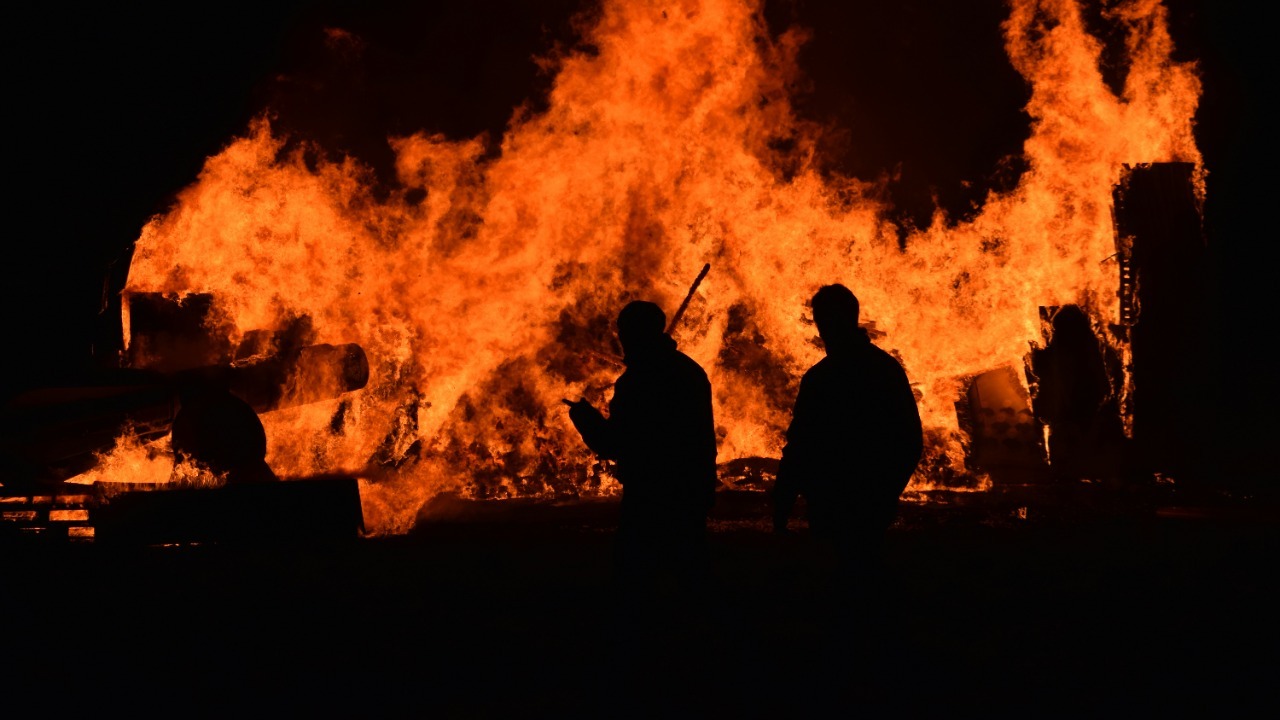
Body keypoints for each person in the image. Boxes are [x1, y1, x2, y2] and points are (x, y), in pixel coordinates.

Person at [565, 300, 718, 595]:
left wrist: (585, 419)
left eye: (624, 331)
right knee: (692, 571)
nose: (622, 338)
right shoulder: (689, 371)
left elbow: (617, 443)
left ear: (634, 333)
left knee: (635, 577)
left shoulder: (639, 381)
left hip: (650, 492)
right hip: (691, 487)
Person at [772, 284, 923, 576]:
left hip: (832, 503)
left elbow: (800, 448)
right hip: (869, 500)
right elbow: (910, 440)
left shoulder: (821, 378)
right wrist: (887, 493)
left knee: (837, 575)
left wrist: (782, 507)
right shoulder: (886, 369)